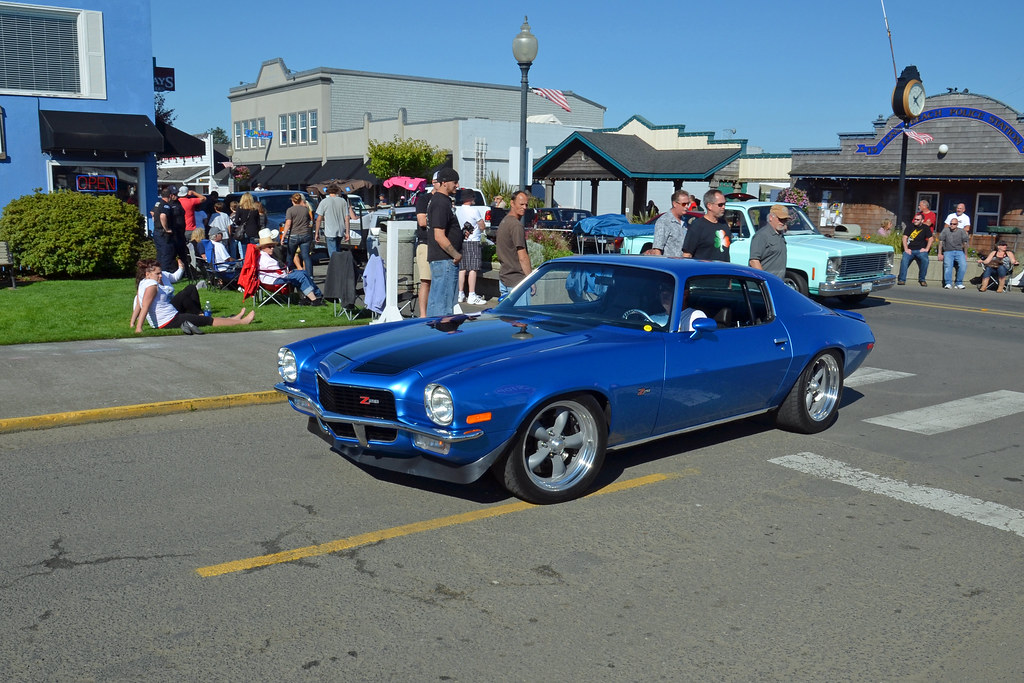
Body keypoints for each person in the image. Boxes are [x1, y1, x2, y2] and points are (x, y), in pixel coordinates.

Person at [130, 258, 254, 335]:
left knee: (202, 319)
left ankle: (235, 319)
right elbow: (144, 306)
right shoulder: (152, 286)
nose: (160, 276)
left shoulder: (143, 283)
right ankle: (242, 322)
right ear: (147, 274)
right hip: (168, 320)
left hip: (168, 317)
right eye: (157, 274)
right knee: (207, 321)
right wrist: (138, 328)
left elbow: (139, 304)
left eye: (160, 273)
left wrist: (132, 323)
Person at [425, 167, 463, 317]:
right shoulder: (441, 202)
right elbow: (439, 236)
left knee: (437, 303)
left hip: (441, 260)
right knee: (443, 308)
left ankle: (432, 329)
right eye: (455, 182)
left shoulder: (440, 201)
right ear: (444, 182)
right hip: (445, 260)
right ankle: (441, 330)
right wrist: (456, 255)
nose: (457, 185)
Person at [256, 232, 325, 305]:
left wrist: (286, 272)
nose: (272, 248)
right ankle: (315, 300)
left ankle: (313, 296)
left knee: (303, 272)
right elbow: (275, 271)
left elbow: (275, 270)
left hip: (275, 276)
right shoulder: (265, 259)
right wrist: (286, 272)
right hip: (273, 280)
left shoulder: (266, 255)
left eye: (273, 246)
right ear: (263, 248)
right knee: (300, 276)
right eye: (270, 247)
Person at [496, 190, 533, 301]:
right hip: (517, 282)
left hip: (504, 279)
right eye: (521, 204)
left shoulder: (504, 222)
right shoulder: (516, 225)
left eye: (526, 204)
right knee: (520, 313)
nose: (524, 207)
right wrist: (531, 280)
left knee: (506, 312)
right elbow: (522, 257)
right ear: (512, 203)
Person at [414, 173, 441, 317]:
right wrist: (440, 220)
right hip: (425, 243)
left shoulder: (447, 200)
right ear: (433, 182)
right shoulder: (424, 199)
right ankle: (423, 315)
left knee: (440, 282)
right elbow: (422, 221)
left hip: (441, 245)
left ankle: (437, 313)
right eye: (439, 182)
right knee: (426, 281)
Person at [455, 191, 487, 304]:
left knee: (462, 268)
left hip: (462, 241)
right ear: (470, 199)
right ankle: (472, 294)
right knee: (473, 268)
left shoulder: (458, 210)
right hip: (473, 241)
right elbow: (482, 226)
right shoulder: (474, 210)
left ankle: (460, 293)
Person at [682, 189, 730, 261]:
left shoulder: (724, 224)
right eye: (720, 205)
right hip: (704, 268)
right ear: (709, 206)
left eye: (724, 204)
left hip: (723, 267)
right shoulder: (697, 226)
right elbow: (687, 254)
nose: (723, 207)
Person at [314, 183, 356, 259]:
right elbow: (347, 218)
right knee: (337, 249)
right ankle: (339, 264)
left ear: (328, 191)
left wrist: (317, 233)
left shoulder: (324, 202)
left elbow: (319, 219)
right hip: (340, 230)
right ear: (337, 191)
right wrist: (347, 232)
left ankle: (336, 265)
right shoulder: (343, 201)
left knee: (333, 253)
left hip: (330, 231)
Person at [748, 204, 789, 279]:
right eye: (780, 219)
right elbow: (754, 261)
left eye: (785, 219)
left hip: (777, 281)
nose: (782, 222)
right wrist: (764, 280)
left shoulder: (780, 234)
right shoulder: (761, 235)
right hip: (765, 282)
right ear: (771, 217)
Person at [280, 193, 314, 278]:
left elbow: (288, 224)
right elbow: (309, 221)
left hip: (294, 235)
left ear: (293, 201)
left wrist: (283, 235)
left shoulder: (290, 210)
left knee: (290, 256)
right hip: (305, 234)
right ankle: (310, 276)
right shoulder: (305, 210)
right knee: (306, 256)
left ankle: (289, 274)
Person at [650, 190, 691, 256]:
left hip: (684, 261)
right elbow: (657, 250)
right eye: (684, 204)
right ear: (674, 204)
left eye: (688, 204)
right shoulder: (664, 221)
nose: (687, 207)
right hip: (668, 261)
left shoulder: (685, 221)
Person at [897, 213, 934, 286]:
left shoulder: (925, 228)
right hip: (910, 250)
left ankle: (922, 279)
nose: (915, 221)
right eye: (915, 219)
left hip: (920, 251)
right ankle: (902, 280)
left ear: (922, 220)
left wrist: (926, 249)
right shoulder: (910, 226)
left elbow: (931, 238)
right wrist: (906, 249)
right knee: (904, 260)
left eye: (918, 220)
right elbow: (904, 237)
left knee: (925, 260)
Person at [937, 216, 970, 289]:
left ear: (957, 224)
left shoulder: (961, 231)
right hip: (948, 251)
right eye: (951, 223)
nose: (952, 225)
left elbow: (965, 243)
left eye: (954, 224)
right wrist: (940, 253)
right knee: (948, 266)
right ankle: (948, 283)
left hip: (959, 251)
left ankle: (959, 283)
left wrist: (965, 254)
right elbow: (941, 242)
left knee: (963, 265)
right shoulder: (945, 230)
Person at [232, 193, 261, 257]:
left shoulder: (240, 208)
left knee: (244, 250)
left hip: (244, 231)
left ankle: (245, 262)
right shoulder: (255, 209)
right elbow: (258, 222)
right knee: (254, 250)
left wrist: (241, 224)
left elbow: (236, 220)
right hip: (254, 231)